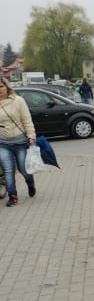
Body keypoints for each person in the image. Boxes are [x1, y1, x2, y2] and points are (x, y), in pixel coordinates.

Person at [0, 78, 37, 206]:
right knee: (8, 170)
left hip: (20, 141)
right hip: (3, 143)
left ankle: (30, 183)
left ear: (6, 87)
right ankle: (13, 196)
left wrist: (31, 136)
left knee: (23, 168)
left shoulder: (18, 101)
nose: (0, 90)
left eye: (1, 86)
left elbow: (27, 120)